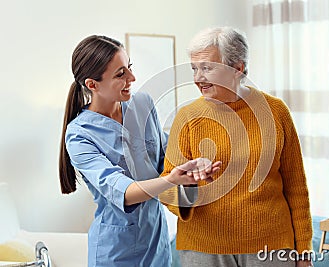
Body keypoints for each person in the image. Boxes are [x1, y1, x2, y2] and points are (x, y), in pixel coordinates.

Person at [58, 35, 221, 267]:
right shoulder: (80, 135)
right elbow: (122, 191)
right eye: (120, 74)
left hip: (156, 241)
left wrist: (194, 166)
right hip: (116, 251)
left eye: (129, 67)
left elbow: (168, 154)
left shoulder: (142, 104)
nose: (132, 78)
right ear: (92, 85)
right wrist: (171, 179)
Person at [159, 27, 313, 267]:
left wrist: (303, 252)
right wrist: (188, 181)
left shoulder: (275, 111)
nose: (198, 78)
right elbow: (166, 189)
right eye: (194, 68)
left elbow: (296, 186)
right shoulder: (187, 117)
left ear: (237, 68)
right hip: (204, 249)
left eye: (207, 68)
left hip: (270, 247)